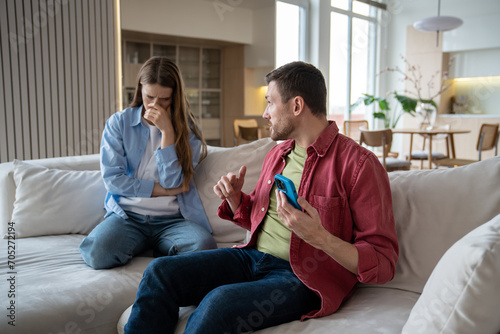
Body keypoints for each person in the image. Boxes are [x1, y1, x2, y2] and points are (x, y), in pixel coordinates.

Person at [124, 61, 399, 333]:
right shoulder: (278, 154)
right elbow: (256, 217)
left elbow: (383, 262)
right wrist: (235, 199)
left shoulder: (359, 165)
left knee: (218, 304)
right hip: (252, 258)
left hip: (301, 278)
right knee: (159, 272)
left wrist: (320, 237)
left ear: (297, 106)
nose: (265, 113)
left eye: (270, 102)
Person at [79, 57, 217, 270]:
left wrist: (167, 132)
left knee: (204, 246)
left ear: (175, 97)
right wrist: (160, 191)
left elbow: (174, 182)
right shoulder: (119, 123)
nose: (155, 105)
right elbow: (114, 181)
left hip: (172, 220)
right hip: (128, 216)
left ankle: (155, 245)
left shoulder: (188, 131)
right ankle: (143, 243)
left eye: (164, 99)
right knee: (98, 251)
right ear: (140, 89)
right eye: (149, 97)